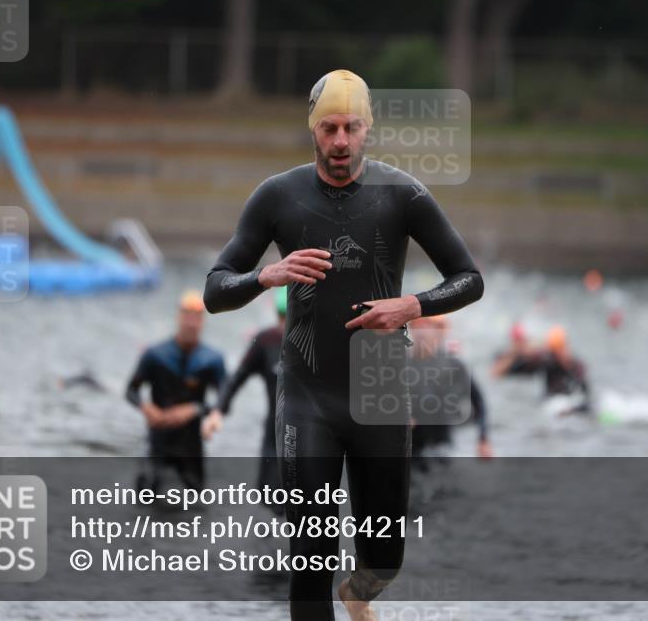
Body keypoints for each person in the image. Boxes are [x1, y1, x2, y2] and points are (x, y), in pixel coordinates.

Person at [203, 69, 484, 621]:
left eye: (351, 128)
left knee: (383, 559)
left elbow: (468, 278)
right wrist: (268, 275)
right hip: (308, 396)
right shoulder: (277, 196)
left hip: (379, 391)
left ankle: (357, 596)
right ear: (312, 129)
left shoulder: (403, 194)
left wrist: (412, 306)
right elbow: (215, 289)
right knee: (310, 561)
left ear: (367, 129)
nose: (339, 141)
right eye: (329, 127)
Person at [126, 290, 227, 491]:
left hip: (190, 446)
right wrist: (146, 408)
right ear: (178, 317)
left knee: (196, 506)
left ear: (203, 321)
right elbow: (131, 391)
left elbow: (224, 399)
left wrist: (196, 409)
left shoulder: (212, 360)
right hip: (158, 439)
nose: (191, 323)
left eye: (196, 318)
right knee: (146, 501)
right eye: (187, 316)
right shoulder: (155, 355)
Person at [202, 289, 286, 512]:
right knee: (270, 502)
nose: (286, 327)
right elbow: (236, 378)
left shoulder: (320, 341)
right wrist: (218, 410)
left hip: (316, 437)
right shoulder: (266, 341)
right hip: (275, 434)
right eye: (283, 318)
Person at [408, 315, 493, 463]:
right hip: (411, 446)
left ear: (440, 332)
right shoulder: (400, 364)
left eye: (426, 326)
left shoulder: (454, 365)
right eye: (416, 326)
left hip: (444, 445)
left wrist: (483, 439)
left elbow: (479, 403)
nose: (421, 331)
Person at [493, 324, 592, 415]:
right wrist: (519, 353)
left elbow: (585, 391)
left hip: (571, 403)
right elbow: (500, 372)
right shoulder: (547, 361)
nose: (559, 353)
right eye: (556, 349)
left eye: (561, 348)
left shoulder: (576, 364)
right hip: (552, 403)